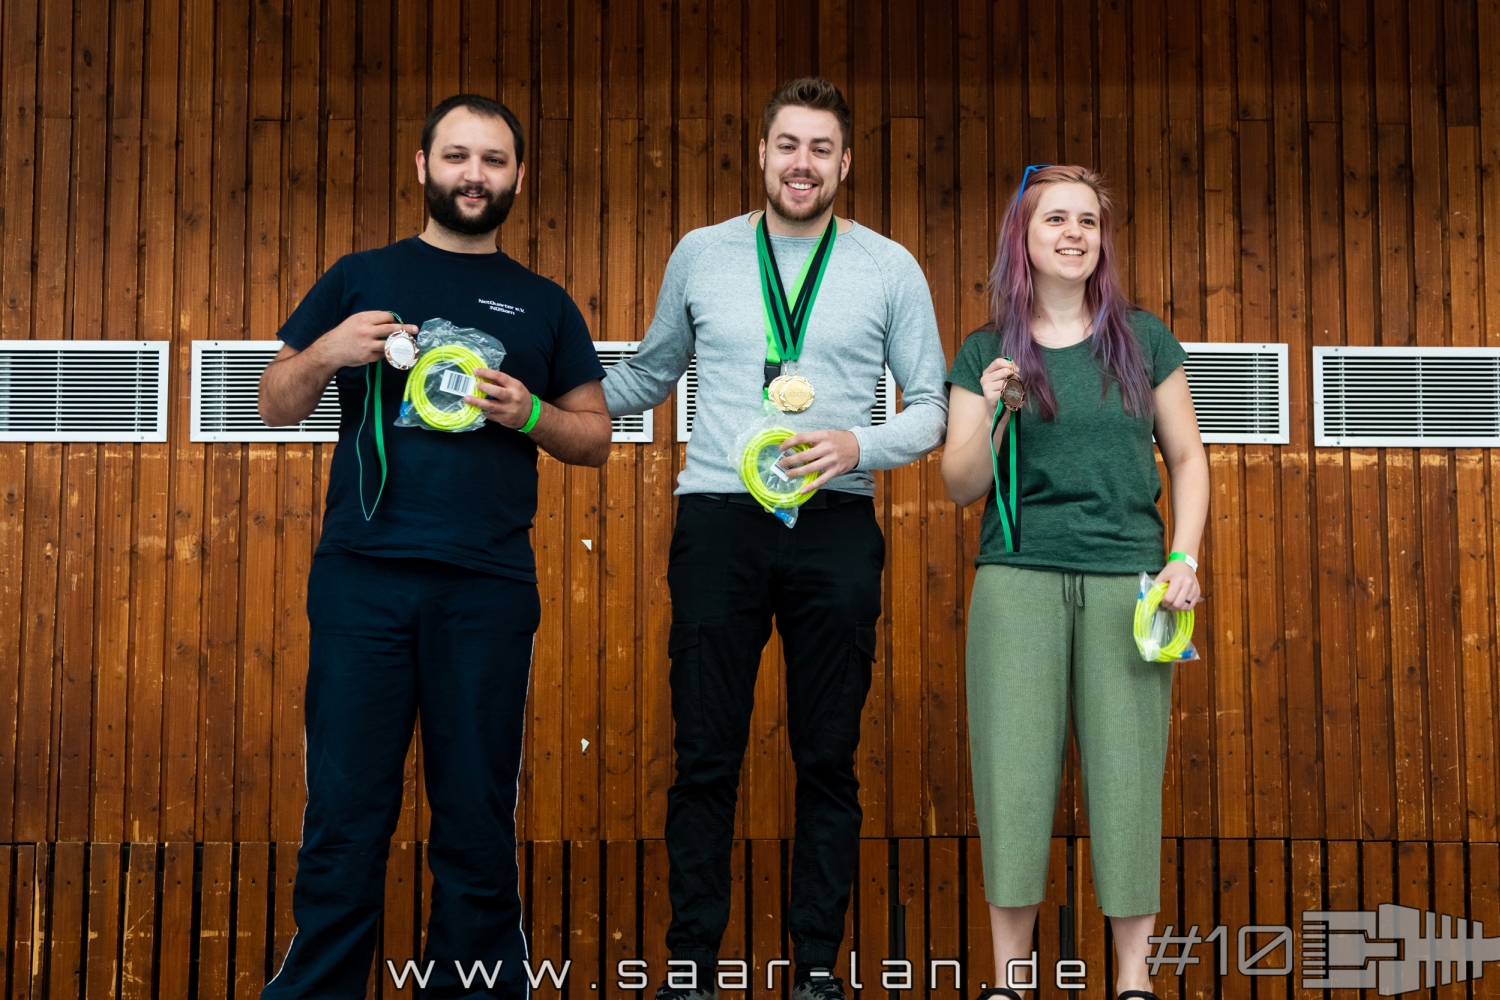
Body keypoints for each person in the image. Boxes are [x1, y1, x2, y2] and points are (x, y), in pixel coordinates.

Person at [258, 94, 611, 1000]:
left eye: (493, 160)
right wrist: (329, 350)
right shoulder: (358, 276)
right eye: (457, 156)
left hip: (486, 588)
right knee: (345, 814)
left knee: (476, 820)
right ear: (423, 166)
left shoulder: (544, 303)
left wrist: (528, 412)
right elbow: (273, 402)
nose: (473, 175)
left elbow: (594, 437)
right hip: (361, 580)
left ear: (518, 177)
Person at [603, 77, 948, 1000]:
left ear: (846, 163)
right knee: (704, 757)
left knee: (827, 759)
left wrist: (856, 446)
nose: (803, 164)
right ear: (761, 154)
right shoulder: (701, 253)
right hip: (719, 524)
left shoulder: (889, 267)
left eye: (821, 149)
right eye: (788, 145)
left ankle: (816, 972)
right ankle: (690, 969)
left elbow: (931, 408)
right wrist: (532, 394)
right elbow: (646, 376)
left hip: (835, 524)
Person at [941, 165, 1208, 1000]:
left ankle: (1133, 980)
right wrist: (993, 410)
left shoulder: (1144, 340)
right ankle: (1010, 980)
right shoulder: (985, 351)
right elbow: (959, 483)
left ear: (1102, 238)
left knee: (1127, 778)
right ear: (1022, 238)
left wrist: (1184, 558)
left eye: (1087, 220)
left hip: (1129, 581)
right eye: (1055, 218)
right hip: (1016, 580)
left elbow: (1188, 458)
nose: (1073, 233)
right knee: (1014, 778)